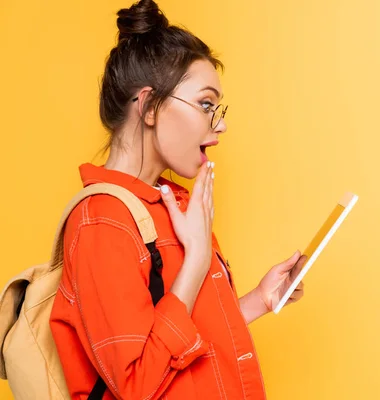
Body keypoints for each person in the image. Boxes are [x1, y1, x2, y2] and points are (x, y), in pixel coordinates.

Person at [49, 1, 306, 398]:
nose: (220, 124)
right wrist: (197, 262)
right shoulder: (102, 221)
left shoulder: (169, 206)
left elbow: (185, 351)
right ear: (150, 106)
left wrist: (259, 299)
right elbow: (136, 386)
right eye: (206, 104)